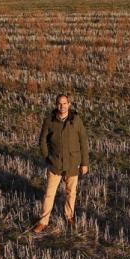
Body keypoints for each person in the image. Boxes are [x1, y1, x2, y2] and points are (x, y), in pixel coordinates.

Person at [32, 94, 89, 235]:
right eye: (59, 103)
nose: (62, 106)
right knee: (49, 194)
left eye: (65, 103)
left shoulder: (76, 120)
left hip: (72, 163)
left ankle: (69, 217)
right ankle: (43, 222)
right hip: (55, 164)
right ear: (56, 104)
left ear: (69, 104)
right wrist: (47, 157)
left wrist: (84, 163)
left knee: (71, 193)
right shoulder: (49, 121)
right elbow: (42, 141)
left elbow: (84, 141)